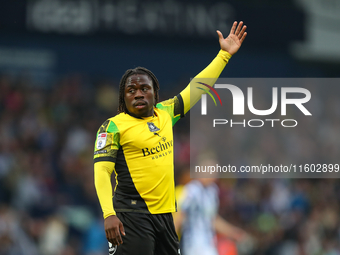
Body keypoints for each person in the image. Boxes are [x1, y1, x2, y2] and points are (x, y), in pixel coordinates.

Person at [93, 21, 247, 255]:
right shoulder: (112, 127)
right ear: (122, 97)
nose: (138, 94)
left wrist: (224, 55)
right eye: (131, 90)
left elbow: (198, 87)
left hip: (164, 216)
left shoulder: (165, 113)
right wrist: (108, 214)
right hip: (132, 215)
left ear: (155, 92)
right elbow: (102, 172)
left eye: (144, 88)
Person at [174, 176, 248, 255]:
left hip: (209, 243)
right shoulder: (191, 190)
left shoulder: (212, 190)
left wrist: (233, 232)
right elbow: (180, 216)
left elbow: (212, 219)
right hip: (193, 243)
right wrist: (170, 241)